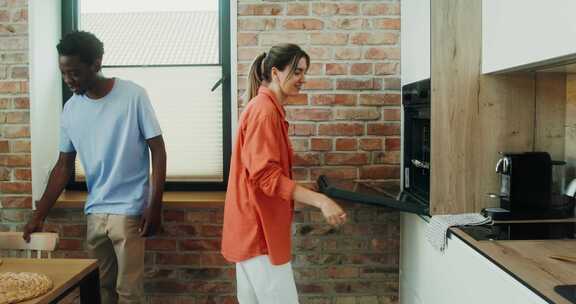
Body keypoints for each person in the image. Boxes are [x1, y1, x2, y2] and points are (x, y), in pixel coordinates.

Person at [23, 31, 166, 304]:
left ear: (96, 64)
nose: (68, 80)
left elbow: (158, 150)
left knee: (129, 293)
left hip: (130, 211)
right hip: (95, 212)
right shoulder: (71, 109)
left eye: (74, 73)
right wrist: (39, 214)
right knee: (99, 291)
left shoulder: (133, 95)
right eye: (64, 73)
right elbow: (63, 166)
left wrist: (154, 203)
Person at [221, 43, 347, 304]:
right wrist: (322, 201)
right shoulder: (264, 112)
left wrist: (302, 187)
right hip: (259, 234)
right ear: (276, 73)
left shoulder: (264, 109)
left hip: (251, 232)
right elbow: (266, 177)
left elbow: (262, 173)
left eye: (304, 72)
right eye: (298, 72)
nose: (303, 79)